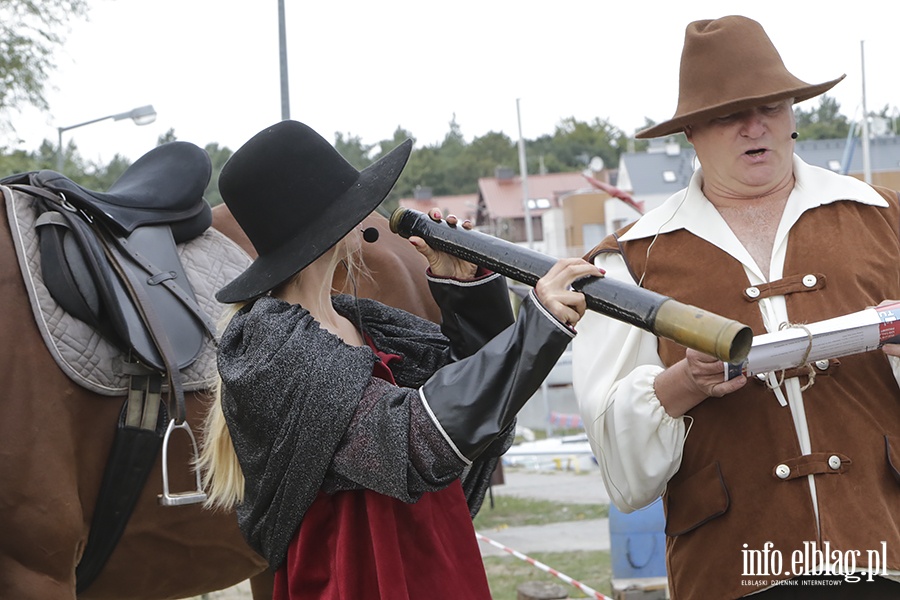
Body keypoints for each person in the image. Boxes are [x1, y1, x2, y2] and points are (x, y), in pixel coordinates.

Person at [197, 120, 601, 599]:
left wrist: (466, 291)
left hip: (436, 563)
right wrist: (540, 325)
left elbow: (477, 418)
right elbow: (415, 440)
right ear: (327, 224)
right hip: (355, 582)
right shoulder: (271, 344)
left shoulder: (363, 321)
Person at [572, 15, 900, 600]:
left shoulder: (884, 220)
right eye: (729, 114)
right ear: (692, 132)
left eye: (771, 107)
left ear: (793, 114)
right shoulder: (629, 264)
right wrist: (682, 382)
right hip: (732, 574)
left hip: (883, 556)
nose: (756, 126)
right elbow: (622, 472)